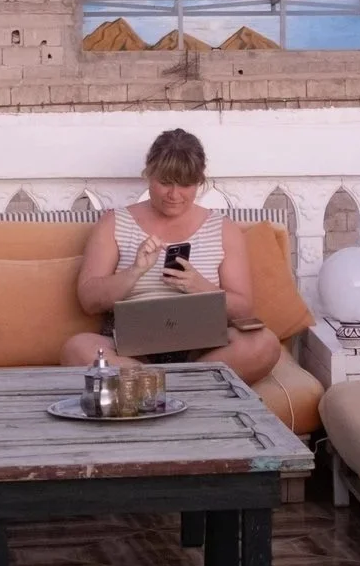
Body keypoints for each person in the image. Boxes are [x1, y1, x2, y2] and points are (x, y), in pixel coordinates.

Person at [60, 128, 281, 383]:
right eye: (165, 182)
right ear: (149, 175)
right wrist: (135, 272)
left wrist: (200, 287)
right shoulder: (114, 222)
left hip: (203, 351)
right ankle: (186, 386)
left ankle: (156, 387)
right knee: (77, 349)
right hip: (132, 351)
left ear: (199, 181)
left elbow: (244, 310)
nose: (174, 195)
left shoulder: (223, 228)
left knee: (265, 343)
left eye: (185, 184)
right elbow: (89, 301)